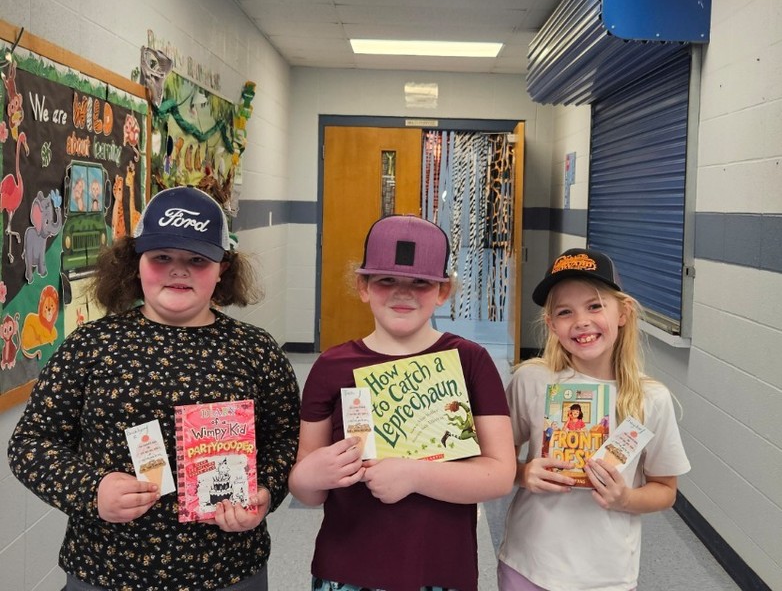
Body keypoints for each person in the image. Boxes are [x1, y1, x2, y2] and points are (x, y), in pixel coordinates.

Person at [8, 185, 300, 591]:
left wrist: (266, 490)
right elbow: (31, 444)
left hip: (228, 569)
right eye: (161, 257)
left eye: (197, 259)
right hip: (107, 570)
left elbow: (287, 439)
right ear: (135, 263)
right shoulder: (91, 345)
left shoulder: (255, 350)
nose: (178, 270)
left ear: (222, 269)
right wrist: (92, 490)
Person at [289, 214, 516, 591]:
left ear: (443, 291)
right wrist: (308, 477)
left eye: (420, 282)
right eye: (386, 280)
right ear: (363, 286)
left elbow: (500, 474)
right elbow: (307, 487)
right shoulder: (331, 366)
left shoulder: (470, 361)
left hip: (440, 570)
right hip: (347, 569)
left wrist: (415, 476)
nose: (403, 293)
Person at [498, 249, 691, 591]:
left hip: (606, 576)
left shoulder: (650, 399)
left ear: (623, 313)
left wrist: (625, 499)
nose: (581, 321)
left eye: (595, 306)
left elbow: (665, 490)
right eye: (565, 312)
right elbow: (498, 462)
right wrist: (523, 473)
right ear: (551, 324)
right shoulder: (531, 380)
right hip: (528, 565)